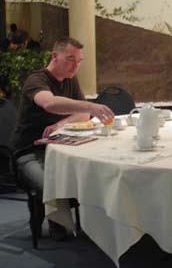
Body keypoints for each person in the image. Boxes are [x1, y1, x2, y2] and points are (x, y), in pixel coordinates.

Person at [10, 36, 114, 240]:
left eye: (79, 61)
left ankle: (83, 226)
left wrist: (60, 124)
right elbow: (49, 103)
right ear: (55, 56)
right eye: (70, 59)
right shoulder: (36, 80)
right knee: (51, 184)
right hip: (29, 152)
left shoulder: (70, 79)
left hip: (59, 149)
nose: (75, 66)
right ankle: (54, 223)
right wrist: (90, 106)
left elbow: (83, 116)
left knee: (89, 176)